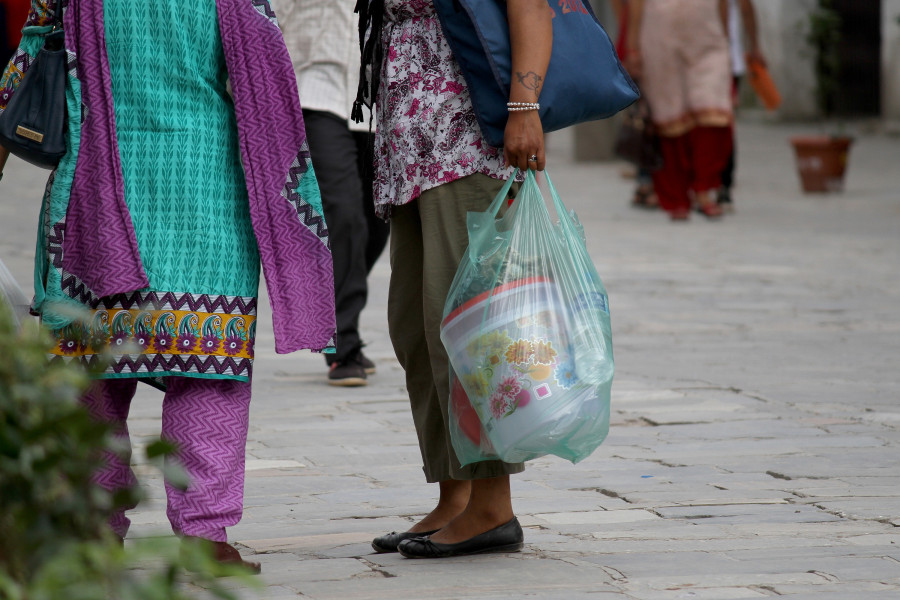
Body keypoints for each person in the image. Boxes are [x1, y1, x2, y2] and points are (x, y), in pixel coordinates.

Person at [0, 0, 335, 572]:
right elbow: (266, 78)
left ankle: (91, 530)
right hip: (207, 185)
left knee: (90, 377)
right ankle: (206, 535)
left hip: (98, 194)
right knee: (210, 366)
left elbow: (26, 68)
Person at [354, 0, 552, 558]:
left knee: (470, 329)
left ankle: (493, 504)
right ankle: (456, 496)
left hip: (467, 140)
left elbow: (531, 8)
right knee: (417, 330)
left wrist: (524, 107)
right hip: (411, 146)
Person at [278, 0, 390, 387]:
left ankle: (334, 318)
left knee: (379, 219)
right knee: (343, 213)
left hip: (378, 96)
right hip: (314, 92)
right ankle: (344, 343)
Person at [626, 0, 733, 221]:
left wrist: (725, 36)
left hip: (707, 34)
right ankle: (676, 198)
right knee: (668, 112)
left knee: (713, 109)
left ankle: (704, 190)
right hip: (660, 33)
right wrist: (632, 46)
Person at [718, 0, 766, 211]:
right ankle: (722, 186)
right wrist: (755, 46)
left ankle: (710, 184)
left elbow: (746, 9)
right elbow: (746, 10)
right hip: (726, 57)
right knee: (722, 121)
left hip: (719, 58)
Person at [610, 0, 658, 210]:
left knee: (645, 115)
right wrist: (633, 46)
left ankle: (646, 180)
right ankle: (648, 182)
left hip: (636, 39)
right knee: (651, 117)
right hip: (643, 44)